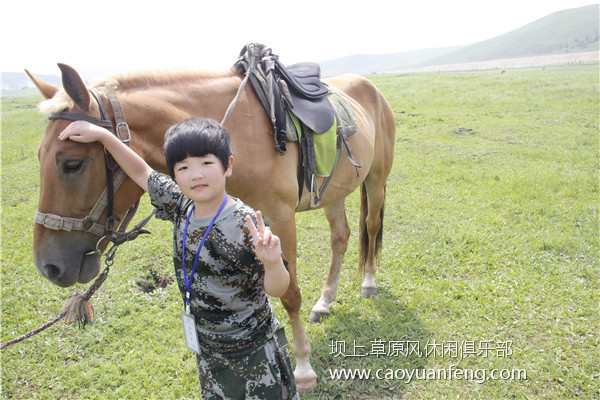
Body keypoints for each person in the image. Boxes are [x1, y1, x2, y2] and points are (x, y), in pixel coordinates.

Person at [59, 117, 299, 399]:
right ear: (174, 176)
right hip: (208, 347)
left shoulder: (243, 224)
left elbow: (277, 288)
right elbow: (142, 172)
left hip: (253, 351)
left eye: (206, 163)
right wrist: (103, 136)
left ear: (228, 166)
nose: (195, 175)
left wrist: (271, 263)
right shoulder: (182, 205)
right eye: (183, 167)